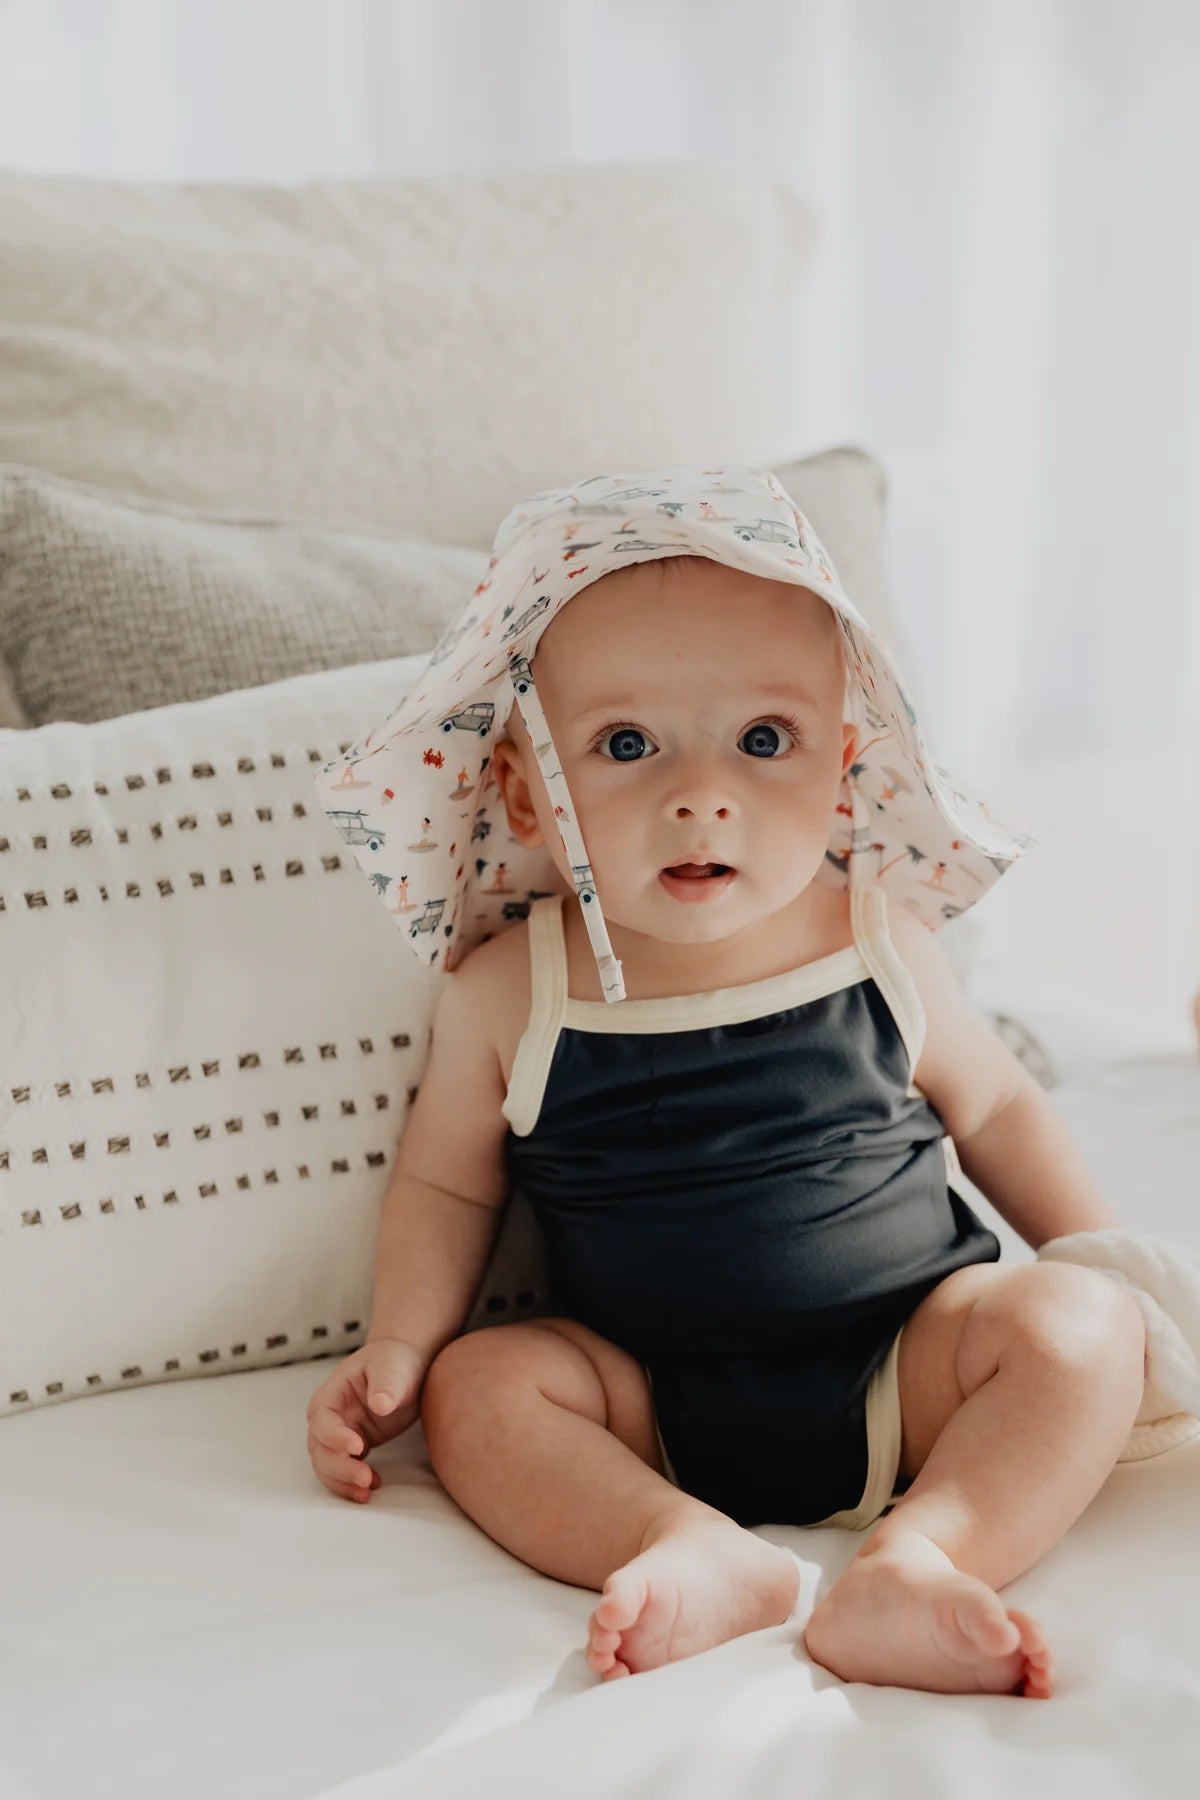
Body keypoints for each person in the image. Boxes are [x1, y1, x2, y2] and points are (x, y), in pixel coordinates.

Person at [305, 466, 1146, 1700]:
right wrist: (398, 1343)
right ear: (531, 795)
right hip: (643, 1398)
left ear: (845, 769)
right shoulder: (509, 989)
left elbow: (1004, 1109)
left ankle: (918, 1560)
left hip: (904, 1361)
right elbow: (443, 1188)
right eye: (627, 744)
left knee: (1082, 1329)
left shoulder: (878, 939)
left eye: (765, 740)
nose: (703, 794)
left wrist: (1099, 1255)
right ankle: (680, 1545)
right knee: (481, 1389)